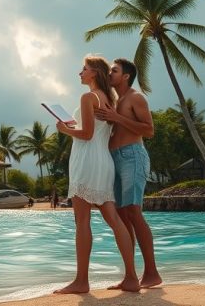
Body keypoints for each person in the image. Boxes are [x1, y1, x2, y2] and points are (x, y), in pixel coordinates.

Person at [53, 55, 140, 294]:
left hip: (87, 162)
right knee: (114, 220)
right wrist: (75, 129)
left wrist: (65, 130)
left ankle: (81, 281)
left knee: (82, 222)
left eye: (84, 69)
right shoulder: (108, 98)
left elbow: (87, 134)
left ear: (94, 73)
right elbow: (97, 132)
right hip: (103, 162)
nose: (80, 72)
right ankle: (131, 277)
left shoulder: (88, 96)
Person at [95, 58, 162, 289]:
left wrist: (116, 118)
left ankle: (152, 273)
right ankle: (130, 276)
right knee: (122, 217)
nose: (110, 73)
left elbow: (149, 130)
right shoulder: (115, 100)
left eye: (114, 70)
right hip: (113, 159)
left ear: (125, 76)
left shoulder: (136, 97)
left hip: (133, 156)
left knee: (133, 211)